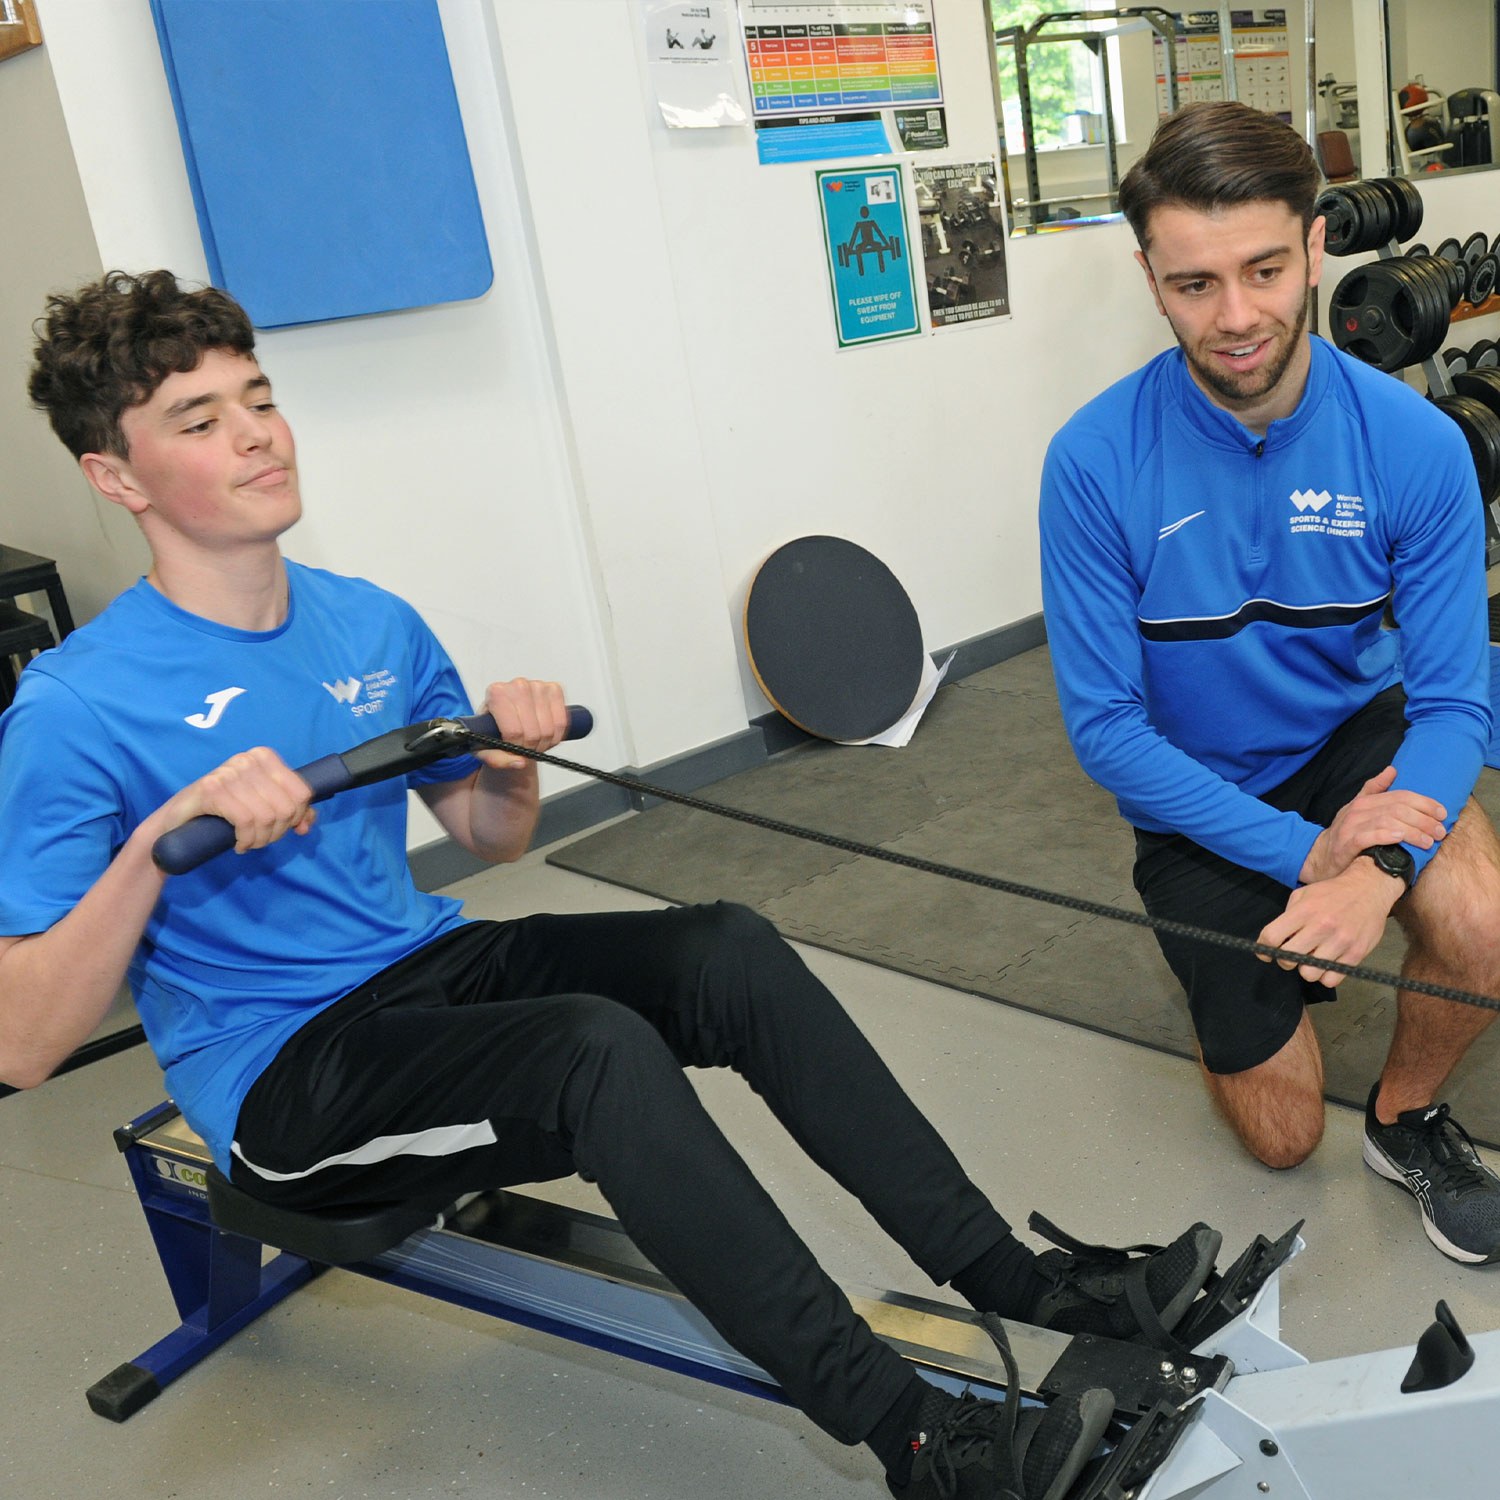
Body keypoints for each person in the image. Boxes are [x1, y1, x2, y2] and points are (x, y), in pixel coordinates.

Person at [1, 271, 1224, 1500]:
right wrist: (162, 829)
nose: (257, 432)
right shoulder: (77, 707)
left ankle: (1023, 1283)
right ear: (117, 475)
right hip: (282, 1075)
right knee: (591, 1050)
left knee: (724, 948)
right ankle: (921, 1443)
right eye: (200, 420)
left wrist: (507, 759)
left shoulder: (364, 623)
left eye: (257, 397)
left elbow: (482, 833)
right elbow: (23, 1042)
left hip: (420, 967)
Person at [1040, 100, 1500, 1266]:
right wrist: (1311, 862)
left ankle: (1406, 1123)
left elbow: (1453, 704)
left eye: (1263, 270)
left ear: (1313, 249)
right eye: (1196, 284)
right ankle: (1230, 979)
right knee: (1284, 1139)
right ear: (1149, 277)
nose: (1237, 318)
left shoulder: (1416, 447)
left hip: (1356, 736)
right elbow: (1105, 731)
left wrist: (1379, 866)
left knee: (1482, 915)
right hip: (1194, 787)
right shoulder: (1094, 461)